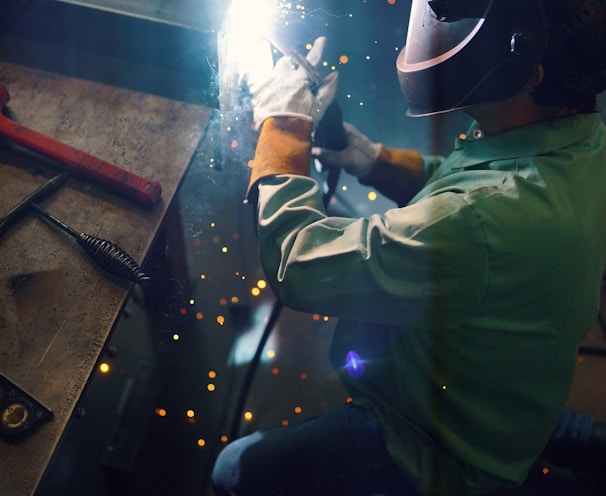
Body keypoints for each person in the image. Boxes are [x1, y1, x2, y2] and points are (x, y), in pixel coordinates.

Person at [212, 0, 606, 494]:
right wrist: (371, 159)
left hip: (437, 444)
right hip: (508, 387)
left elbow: (298, 263)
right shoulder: (584, 141)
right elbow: (476, 180)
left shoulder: (474, 220)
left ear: (529, 74)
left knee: (234, 468)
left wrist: (284, 129)